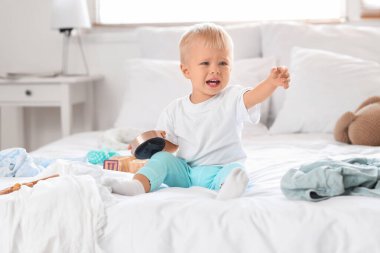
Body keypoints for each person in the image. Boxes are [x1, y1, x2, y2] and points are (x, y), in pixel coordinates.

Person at [103, 23, 290, 200]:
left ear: (231, 67)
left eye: (223, 63)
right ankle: (138, 185)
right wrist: (151, 143)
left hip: (220, 170)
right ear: (186, 71)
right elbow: (170, 148)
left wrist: (271, 83)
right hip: (186, 172)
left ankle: (228, 189)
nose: (215, 70)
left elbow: (255, 96)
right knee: (161, 159)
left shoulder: (232, 98)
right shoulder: (174, 110)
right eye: (205, 63)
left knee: (236, 171)